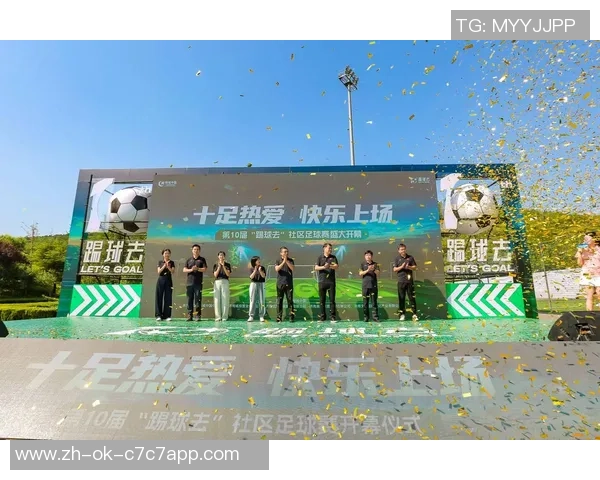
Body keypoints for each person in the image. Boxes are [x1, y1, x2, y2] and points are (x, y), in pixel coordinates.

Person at [575, 232, 600, 311]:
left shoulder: (598, 248)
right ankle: (590, 315)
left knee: (599, 292)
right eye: (585, 238)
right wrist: (579, 252)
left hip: (598, 274)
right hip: (587, 274)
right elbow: (580, 263)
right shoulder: (582, 249)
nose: (585, 240)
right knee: (589, 296)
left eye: (588, 238)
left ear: (594, 239)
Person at [393, 243, 418, 321]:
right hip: (401, 281)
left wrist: (409, 267)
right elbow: (394, 269)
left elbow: (415, 267)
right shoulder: (397, 258)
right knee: (401, 298)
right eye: (401, 249)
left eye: (404, 249)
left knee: (411, 298)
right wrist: (402, 267)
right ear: (398, 250)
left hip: (409, 281)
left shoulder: (410, 257)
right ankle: (402, 314)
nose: (403, 251)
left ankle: (414, 314)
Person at [182, 244, 207, 321]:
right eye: (194, 249)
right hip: (189, 283)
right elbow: (184, 270)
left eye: (197, 249)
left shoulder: (202, 259)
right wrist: (191, 270)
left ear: (199, 251)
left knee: (198, 299)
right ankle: (190, 315)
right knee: (189, 299)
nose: (196, 251)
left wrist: (197, 269)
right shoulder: (189, 260)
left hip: (198, 283)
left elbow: (205, 269)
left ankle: (198, 315)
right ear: (192, 250)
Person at [315, 243, 339, 321]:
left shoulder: (333, 257)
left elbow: (336, 266)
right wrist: (324, 267)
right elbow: (316, 267)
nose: (330, 250)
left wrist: (330, 266)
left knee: (332, 300)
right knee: (322, 300)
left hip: (331, 282)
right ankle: (322, 317)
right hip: (322, 281)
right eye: (329, 248)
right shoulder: (320, 257)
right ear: (324, 248)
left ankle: (333, 317)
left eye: (331, 248)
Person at [275, 246, 295, 322]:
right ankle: (279, 317)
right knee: (279, 301)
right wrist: (283, 261)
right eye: (285, 251)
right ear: (281, 253)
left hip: (289, 283)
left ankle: (291, 317)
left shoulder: (291, 260)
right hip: (280, 283)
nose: (286, 253)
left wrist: (286, 261)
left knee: (290, 300)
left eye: (287, 251)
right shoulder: (278, 260)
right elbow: (277, 269)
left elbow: (292, 268)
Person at [359, 250, 380, 322]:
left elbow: (378, 273)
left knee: (374, 302)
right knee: (365, 303)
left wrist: (373, 269)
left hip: (373, 285)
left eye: (369, 255)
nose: (368, 256)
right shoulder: (362, 264)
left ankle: (375, 317)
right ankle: (366, 317)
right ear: (365, 256)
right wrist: (368, 270)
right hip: (365, 286)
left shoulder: (375, 264)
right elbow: (360, 273)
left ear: (372, 256)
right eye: (366, 255)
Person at [156, 248, 175, 321]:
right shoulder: (160, 262)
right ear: (163, 254)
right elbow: (159, 272)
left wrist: (168, 266)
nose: (167, 254)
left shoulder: (172, 262)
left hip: (168, 280)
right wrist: (164, 266)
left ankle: (167, 315)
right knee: (159, 297)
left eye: (168, 253)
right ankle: (158, 315)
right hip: (161, 280)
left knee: (168, 298)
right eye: (165, 253)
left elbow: (172, 271)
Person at [213, 251, 232, 321]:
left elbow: (228, 274)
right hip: (217, 282)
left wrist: (223, 266)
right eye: (220, 255)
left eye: (222, 255)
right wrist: (219, 266)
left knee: (225, 299)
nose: (221, 256)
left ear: (224, 257)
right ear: (218, 256)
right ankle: (218, 317)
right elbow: (215, 275)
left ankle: (224, 317)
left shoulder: (227, 265)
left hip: (225, 281)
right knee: (217, 300)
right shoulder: (215, 265)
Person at [248, 256, 267, 322]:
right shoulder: (251, 268)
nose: (259, 261)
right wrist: (255, 271)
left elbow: (264, 276)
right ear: (254, 261)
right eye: (257, 260)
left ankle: (261, 316)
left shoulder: (262, 267)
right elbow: (251, 277)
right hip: (253, 284)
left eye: (259, 259)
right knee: (252, 300)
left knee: (262, 300)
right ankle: (251, 316)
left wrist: (260, 270)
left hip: (261, 284)